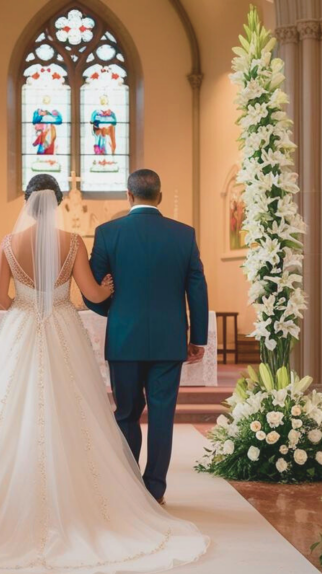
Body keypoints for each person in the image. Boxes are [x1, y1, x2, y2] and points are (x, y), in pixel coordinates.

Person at [0, 174, 208, 574]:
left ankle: (13, 493)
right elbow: (93, 296)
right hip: (68, 328)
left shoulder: (10, 244)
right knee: (78, 408)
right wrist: (104, 289)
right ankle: (142, 489)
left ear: (29, 204)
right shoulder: (74, 242)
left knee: (13, 407)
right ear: (61, 203)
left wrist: (25, 308)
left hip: (24, 327)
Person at [83, 168, 209, 504]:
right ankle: (155, 490)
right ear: (161, 197)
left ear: (128, 195)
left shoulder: (108, 232)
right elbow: (197, 287)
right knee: (162, 415)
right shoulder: (184, 234)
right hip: (169, 341)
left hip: (124, 340)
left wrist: (116, 314)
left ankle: (127, 487)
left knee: (126, 413)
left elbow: (92, 291)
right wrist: (198, 336)